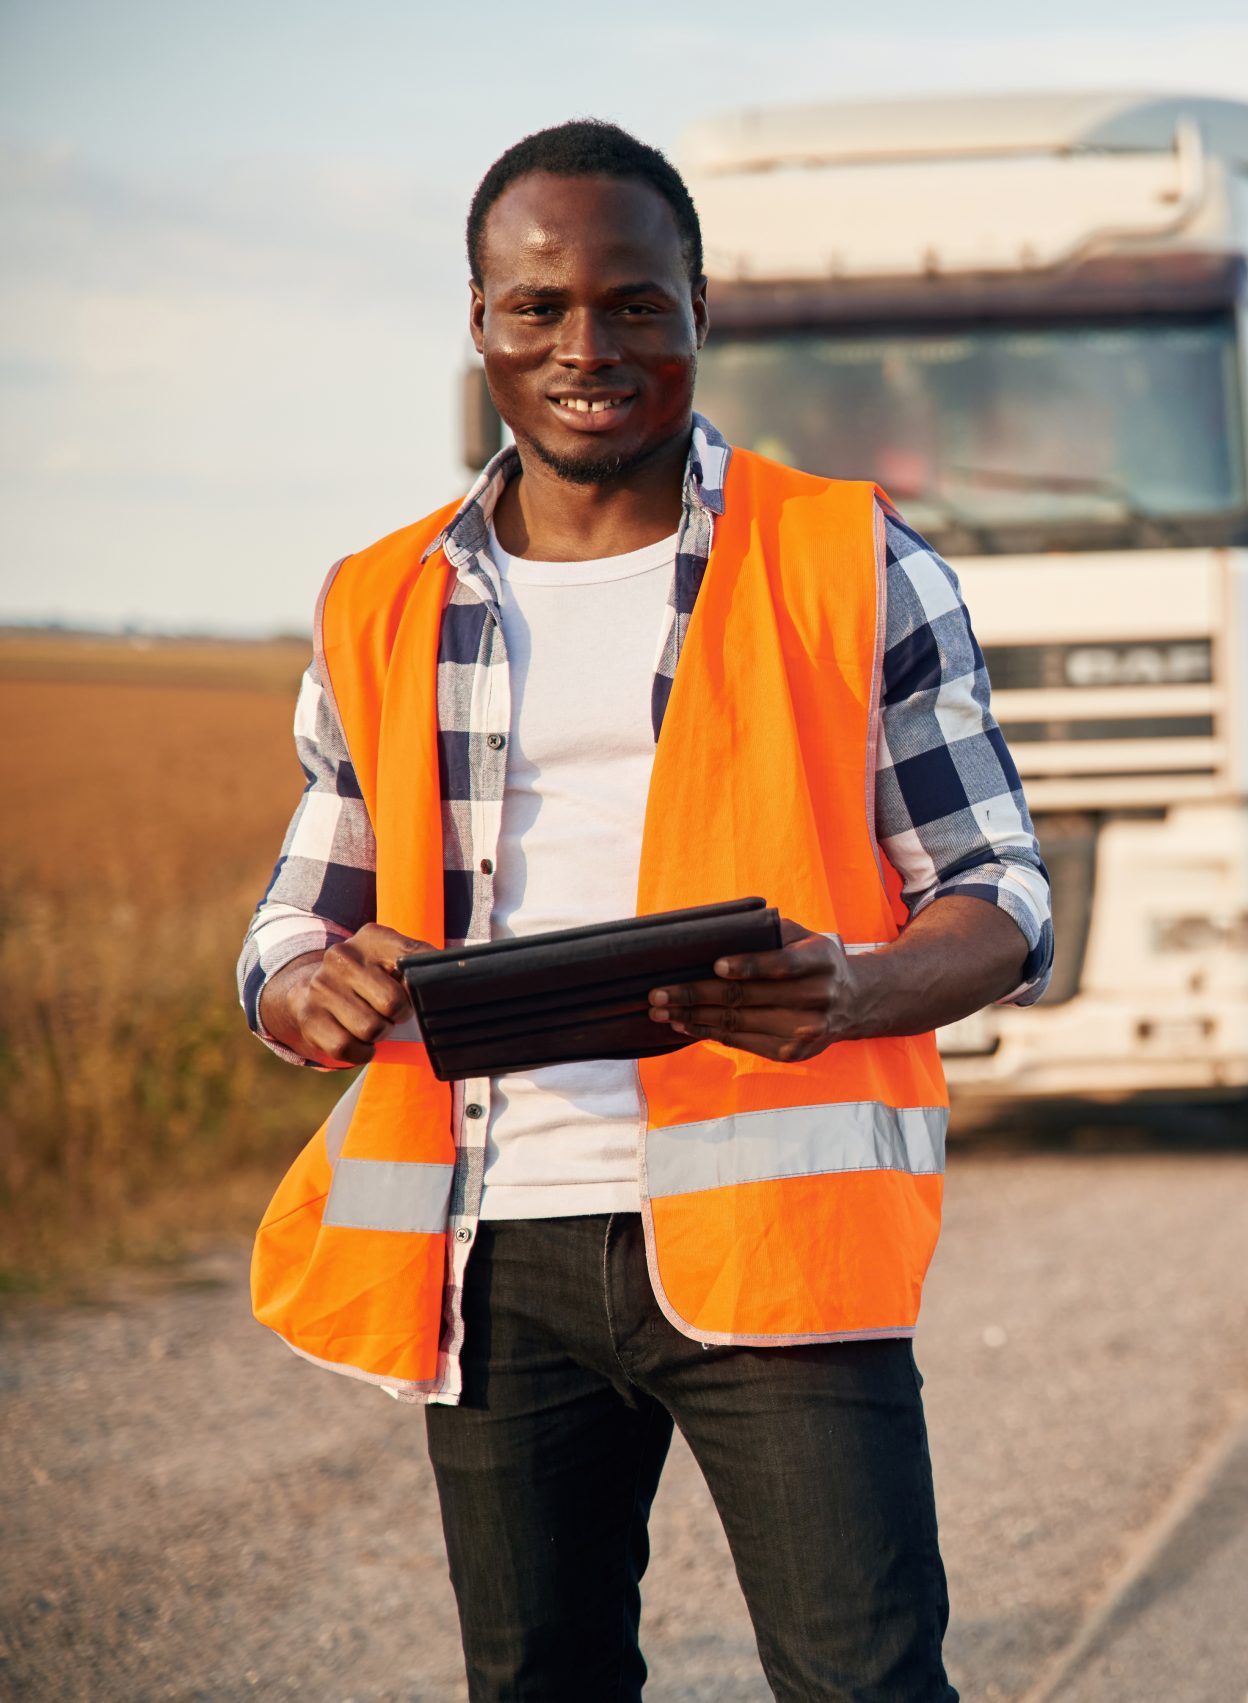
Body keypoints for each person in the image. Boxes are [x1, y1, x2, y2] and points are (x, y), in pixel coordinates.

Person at [235, 119, 1049, 1702]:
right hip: (494, 1247)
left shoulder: (853, 562)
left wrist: (856, 991)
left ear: (699, 311)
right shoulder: (380, 597)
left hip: (783, 1240)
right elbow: (293, 918)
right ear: (479, 325)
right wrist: (304, 992)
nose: (585, 348)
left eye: (633, 304)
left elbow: (1002, 891)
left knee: (865, 1684)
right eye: (537, 309)